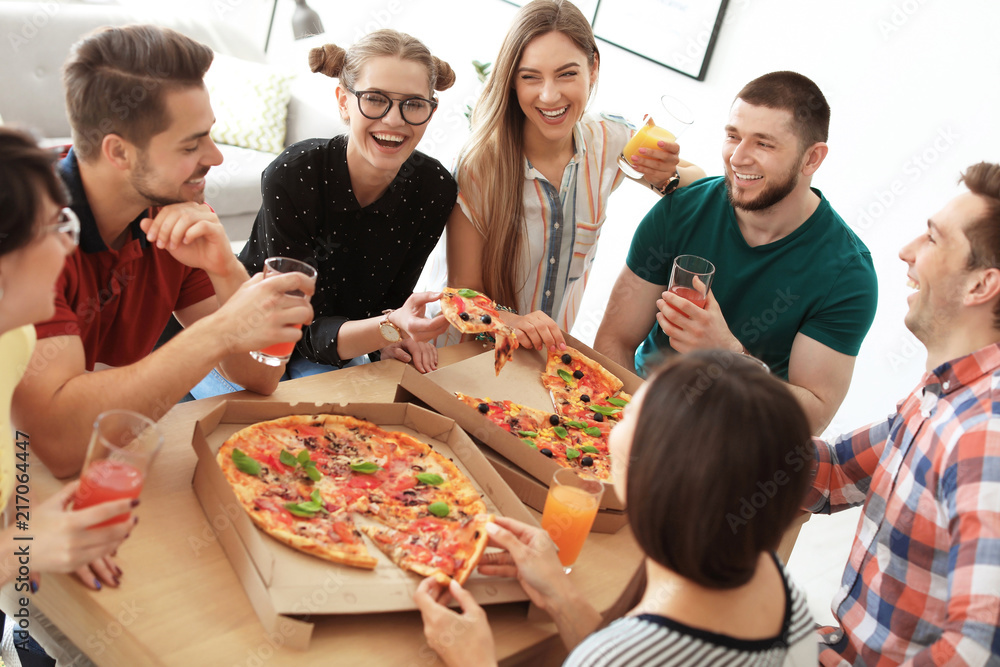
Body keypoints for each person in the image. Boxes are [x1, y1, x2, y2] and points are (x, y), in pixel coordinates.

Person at [11, 25, 313, 479]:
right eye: (191, 145)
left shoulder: (179, 213)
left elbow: (258, 376)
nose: (216, 156)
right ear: (119, 153)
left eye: (209, 136)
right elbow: (60, 447)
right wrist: (221, 330)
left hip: (116, 466)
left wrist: (225, 269)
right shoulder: (33, 241)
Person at [416, 350, 817, 666]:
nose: (614, 422)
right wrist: (559, 594)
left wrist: (475, 660)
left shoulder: (618, 655)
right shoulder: (778, 581)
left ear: (656, 479)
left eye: (627, 416)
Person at [594, 70, 878, 433]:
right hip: (638, 415)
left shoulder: (847, 274)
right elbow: (613, 342)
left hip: (734, 454)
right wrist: (640, 428)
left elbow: (813, 417)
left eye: (764, 143)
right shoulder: (680, 210)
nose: (738, 158)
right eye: (733, 136)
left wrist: (729, 354)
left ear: (811, 159)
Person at [806, 162, 1000, 665]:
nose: (906, 251)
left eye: (933, 239)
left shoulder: (984, 434)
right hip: (835, 644)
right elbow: (830, 473)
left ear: (981, 286)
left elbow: (976, 649)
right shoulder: (945, 392)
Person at [438, 0, 705, 351]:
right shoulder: (480, 164)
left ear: (593, 68)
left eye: (566, 74)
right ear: (512, 82)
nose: (549, 96)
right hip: (462, 358)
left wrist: (665, 176)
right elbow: (461, 297)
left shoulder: (609, 140)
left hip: (540, 364)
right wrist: (516, 323)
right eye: (530, 77)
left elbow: (699, 182)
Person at [236, 29, 454, 379]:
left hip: (342, 342)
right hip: (253, 334)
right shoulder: (292, 175)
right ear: (343, 102)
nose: (394, 120)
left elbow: (393, 301)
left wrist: (392, 332)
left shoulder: (435, 188)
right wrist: (387, 329)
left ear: (431, 110)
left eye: (413, 104)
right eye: (374, 98)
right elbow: (295, 325)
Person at [0, 127, 137, 598]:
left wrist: (28, 514)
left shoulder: (13, 340)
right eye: (57, 227)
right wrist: (19, 550)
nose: (68, 247)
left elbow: (9, 452)